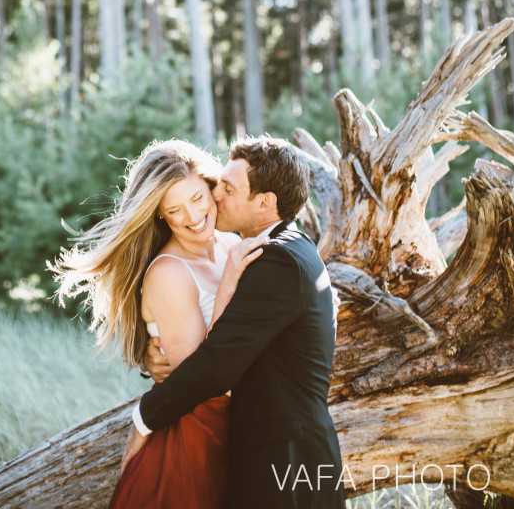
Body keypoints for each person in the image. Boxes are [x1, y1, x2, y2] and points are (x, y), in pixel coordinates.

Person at [123, 135, 346, 509]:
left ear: (264, 203)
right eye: (175, 209)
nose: (213, 199)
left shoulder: (267, 256)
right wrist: (151, 352)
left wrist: (143, 419)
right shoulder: (285, 244)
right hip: (240, 440)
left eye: (223, 188)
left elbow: (215, 367)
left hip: (284, 453)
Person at [48, 138, 265, 509]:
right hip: (195, 440)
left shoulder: (230, 244)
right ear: (160, 215)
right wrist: (229, 280)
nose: (193, 217)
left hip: (242, 427)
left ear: (212, 188)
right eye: (175, 210)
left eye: (198, 199)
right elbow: (200, 377)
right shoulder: (169, 273)